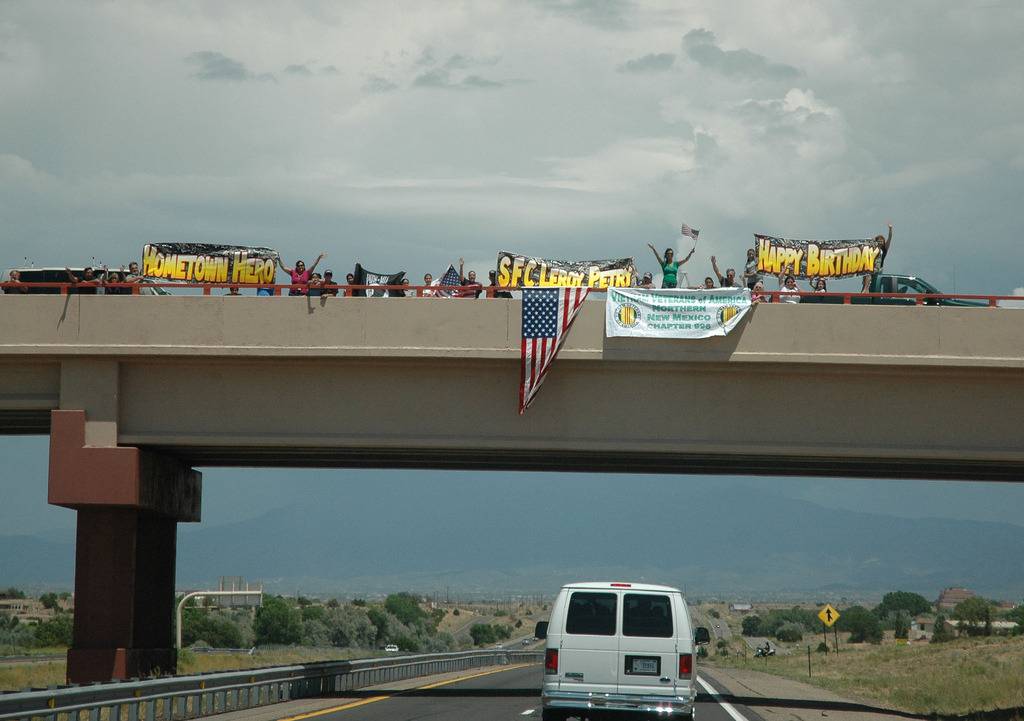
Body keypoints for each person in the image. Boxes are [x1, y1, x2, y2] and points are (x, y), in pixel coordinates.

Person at [862, 223, 894, 293]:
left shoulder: (884, 249)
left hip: (879, 269)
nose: (880, 242)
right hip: (871, 267)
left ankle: (873, 294)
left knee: (876, 283)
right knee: (867, 276)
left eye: (881, 241)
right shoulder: (873, 248)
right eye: (878, 241)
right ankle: (865, 290)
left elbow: (890, 238)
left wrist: (890, 229)